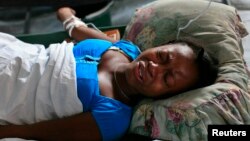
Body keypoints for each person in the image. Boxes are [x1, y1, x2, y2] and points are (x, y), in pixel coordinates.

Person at [0, 7, 218, 141]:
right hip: (14, 52)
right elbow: (77, 30)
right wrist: (66, 14)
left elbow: (41, 132)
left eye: (167, 78)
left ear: (165, 96)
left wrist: (5, 133)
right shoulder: (125, 49)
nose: (155, 68)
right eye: (162, 56)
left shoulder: (112, 117)